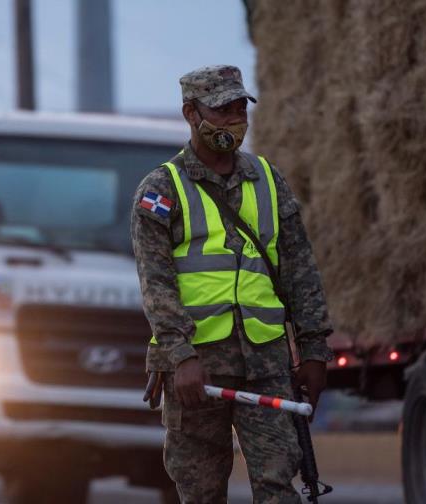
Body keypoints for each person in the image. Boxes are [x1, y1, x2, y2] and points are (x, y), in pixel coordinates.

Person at [131, 65, 334, 503]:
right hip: (196, 372)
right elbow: (157, 284)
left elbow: (300, 271)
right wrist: (180, 354)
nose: (233, 119)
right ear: (191, 113)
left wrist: (315, 348)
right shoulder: (162, 190)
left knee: (279, 486)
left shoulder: (269, 181)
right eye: (221, 109)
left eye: (240, 107)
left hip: (266, 365)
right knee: (201, 492)